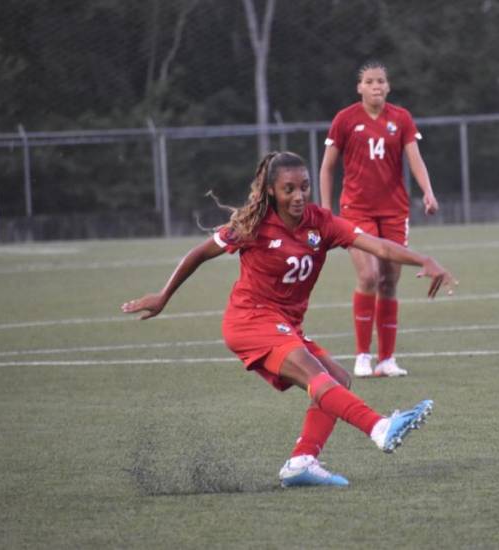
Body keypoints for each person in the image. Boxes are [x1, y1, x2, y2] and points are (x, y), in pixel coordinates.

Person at [121, 151, 455, 488]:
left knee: (337, 378)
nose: (298, 196)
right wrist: (164, 295)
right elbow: (199, 254)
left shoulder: (321, 222)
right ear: (271, 191)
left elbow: (378, 247)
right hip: (250, 321)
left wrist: (423, 259)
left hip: (284, 325)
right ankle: (380, 428)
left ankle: (301, 461)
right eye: (289, 189)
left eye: (304, 187)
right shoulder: (252, 225)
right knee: (316, 375)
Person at [320, 60, 439, 379]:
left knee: (389, 282)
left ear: (388, 86)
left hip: (394, 211)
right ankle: (362, 356)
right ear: (359, 87)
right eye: (369, 81)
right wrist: (325, 212)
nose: (375, 86)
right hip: (356, 211)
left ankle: (386, 360)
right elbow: (327, 168)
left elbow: (415, 159)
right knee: (369, 277)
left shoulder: (400, 118)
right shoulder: (345, 119)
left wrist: (428, 192)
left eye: (381, 81)